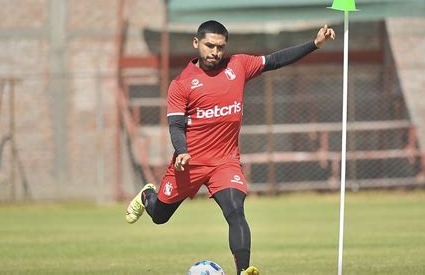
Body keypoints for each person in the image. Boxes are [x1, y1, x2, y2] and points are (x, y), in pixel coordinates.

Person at [125, 20, 335, 275]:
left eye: (220, 47)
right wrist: (181, 151)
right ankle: (148, 195)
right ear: (196, 43)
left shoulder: (239, 65)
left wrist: (315, 44)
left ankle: (244, 271)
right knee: (159, 216)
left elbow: (276, 60)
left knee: (235, 210)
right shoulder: (181, 83)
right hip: (189, 162)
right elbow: (176, 126)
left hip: (225, 161)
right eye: (209, 45)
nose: (215, 52)